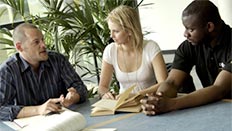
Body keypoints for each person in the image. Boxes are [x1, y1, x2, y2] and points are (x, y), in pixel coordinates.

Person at [140, 0, 232, 115]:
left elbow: (219, 88)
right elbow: (172, 82)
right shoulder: (189, 46)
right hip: (214, 109)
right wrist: (158, 99)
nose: (185, 34)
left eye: (191, 29)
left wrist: (172, 104)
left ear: (209, 26)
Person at [0, 23, 88, 121]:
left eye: (43, 39)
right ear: (19, 47)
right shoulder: (8, 70)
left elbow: (81, 88)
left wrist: (74, 97)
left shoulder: (58, 60)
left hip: (62, 120)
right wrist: (38, 110)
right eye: (36, 42)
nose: (44, 45)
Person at [98, 5, 168, 99]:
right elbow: (102, 87)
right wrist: (106, 94)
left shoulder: (151, 47)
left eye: (116, 31)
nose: (111, 36)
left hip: (149, 103)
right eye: (110, 31)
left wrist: (137, 95)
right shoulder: (110, 50)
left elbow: (163, 83)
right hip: (123, 104)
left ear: (130, 31)